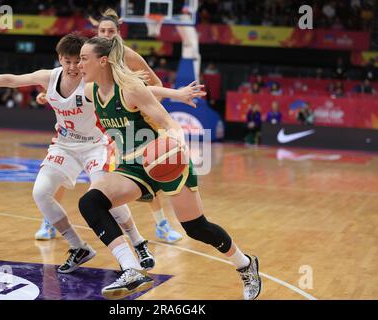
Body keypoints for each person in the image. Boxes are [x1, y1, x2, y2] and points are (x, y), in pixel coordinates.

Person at [0, 32, 204, 274]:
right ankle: (78, 247)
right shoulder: (49, 77)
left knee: (105, 199)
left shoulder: (92, 82)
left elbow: (138, 90)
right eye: (68, 61)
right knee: (40, 193)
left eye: (78, 61)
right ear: (60, 59)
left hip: (97, 145)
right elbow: (12, 79)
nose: (74, 66)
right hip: (64, 145)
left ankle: (138, 243)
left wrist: (176, 94)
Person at [76, 35, 261, 300]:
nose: (79, 64)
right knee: (90, 202)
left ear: (102, 61)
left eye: (84, 59)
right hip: (132, 167)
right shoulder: (89, 93)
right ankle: (131, 268)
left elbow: (169, 123)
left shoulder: (129, 89)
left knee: (197, 228)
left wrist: (175, 143)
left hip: (163, 161)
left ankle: (245, 264)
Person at [78, 8, 185, 244]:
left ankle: (161, 226)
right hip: (105, 121)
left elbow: (153, 84)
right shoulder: (91, 60)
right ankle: (53, 219)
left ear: (118, 33)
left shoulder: (129, 56)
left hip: (133, 119)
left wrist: (145, 107)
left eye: (110, 31)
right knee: (93, 174)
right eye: (102, 30)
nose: (106, 34)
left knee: (149, 170)